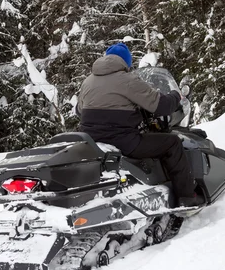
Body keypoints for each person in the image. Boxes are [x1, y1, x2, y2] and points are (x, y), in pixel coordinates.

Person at [75, 43, 204, 207]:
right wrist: (175, 96)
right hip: (123, 142)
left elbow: (79, 111)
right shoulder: (128, 80)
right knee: (172, 143)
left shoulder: (88, 81)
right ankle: (187, 197)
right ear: (126, 63)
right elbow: (160, 106)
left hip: (92, 142)